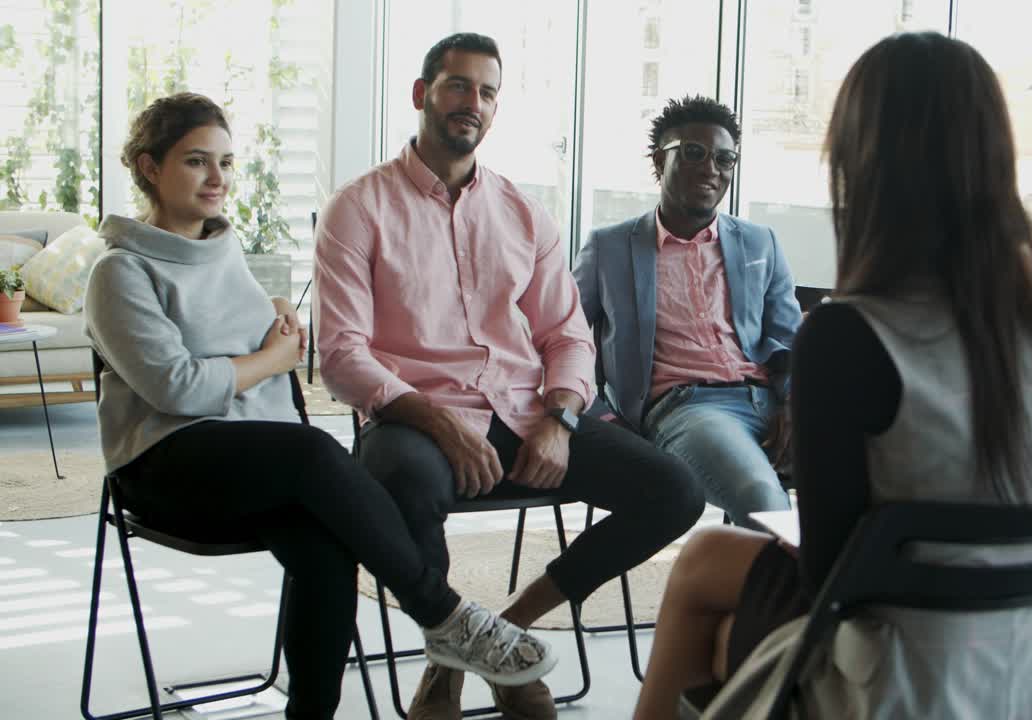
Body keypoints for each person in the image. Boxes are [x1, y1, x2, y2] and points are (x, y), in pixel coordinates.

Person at [633, 32, 1032, 720]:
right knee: (709, 565)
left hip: (905, 676)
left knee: (705, 589)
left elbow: (832, 577)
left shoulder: (851, 335)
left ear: (862, 161)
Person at [84, 92, 555, 720]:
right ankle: (446, 615)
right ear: (149, 167)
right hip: (164, 469)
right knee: (312, 451)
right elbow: (179, 389)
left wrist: (275, 322)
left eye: (226, 161)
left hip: (255, 467)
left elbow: (248, 343)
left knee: (325, 547)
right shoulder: (119, 272)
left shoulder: (225, 250)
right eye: (197, 162)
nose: (218, 178)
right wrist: (271, 361)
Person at [313, 33, 703, 720]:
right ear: (421, 95)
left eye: (487, 91)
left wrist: (559, 420)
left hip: (525, 414)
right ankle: (463, 655)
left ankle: (504, 632)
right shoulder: (359, 207)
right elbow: (342, 354)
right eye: (457, 86)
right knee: (401, 483)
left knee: (673, 490)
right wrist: (439, 422)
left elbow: (567, 335)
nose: (473, 102)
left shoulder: (523, 211)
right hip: (414, 418)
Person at [574, 95, 802, 526]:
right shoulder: (610, 247)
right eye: (693, 153)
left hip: (771, 402)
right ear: (660, 162)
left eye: (724, 158)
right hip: (689, 409)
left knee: (881, 468)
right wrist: (594, 414)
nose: (711, 168)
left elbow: (788, 339)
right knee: (759, 496)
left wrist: (793, 400)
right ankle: (791, 591)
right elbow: (558, 335)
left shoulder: (760, 242)